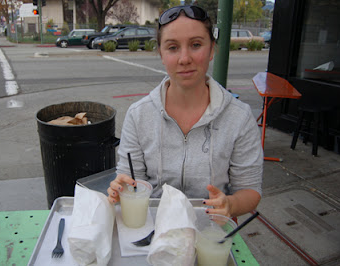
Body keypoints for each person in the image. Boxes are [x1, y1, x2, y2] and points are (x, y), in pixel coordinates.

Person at [107, 5, 263, 218]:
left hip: (210, 228)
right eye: (172, 47)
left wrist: (231, 204)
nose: (184, 58)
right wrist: (121, 188)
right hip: (152, 227)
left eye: (196, 44)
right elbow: (130, 179)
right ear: (161, 53)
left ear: (212, 49)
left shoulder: (240, 118)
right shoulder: (138, 115)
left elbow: (251, 190)